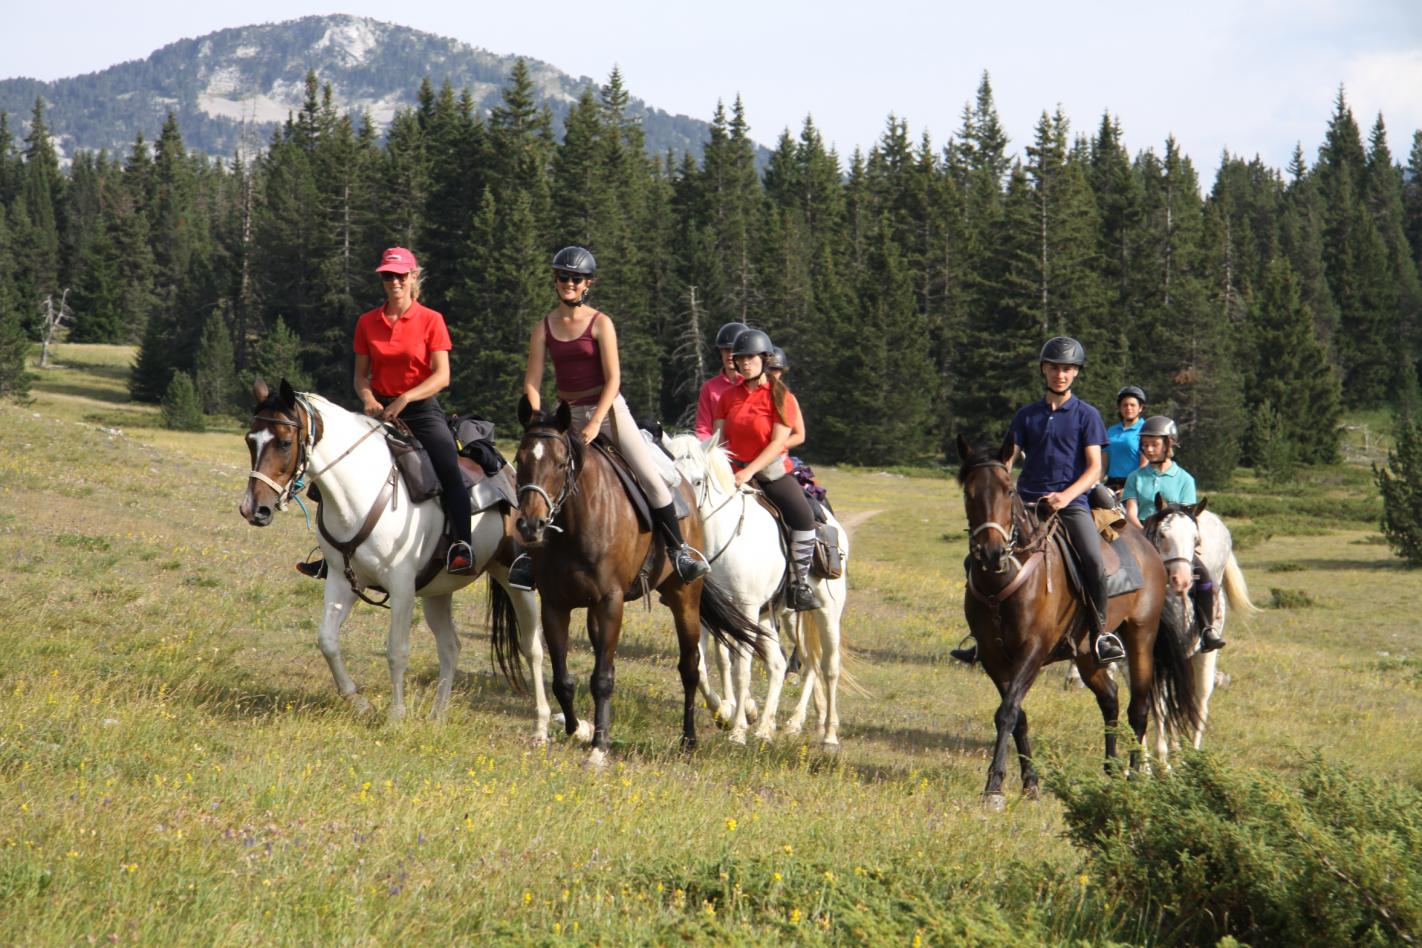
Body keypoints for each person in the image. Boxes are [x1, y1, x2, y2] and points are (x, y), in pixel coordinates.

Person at [506, 246, 709, 590]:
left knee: (651, 478)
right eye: (562, 277)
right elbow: (532, 380)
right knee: (535, 478)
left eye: (575, 278)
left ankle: (679, 551)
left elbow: (613, 379)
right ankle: (528, 556)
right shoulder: (544, 328)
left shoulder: (601, 324)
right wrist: (539, 420)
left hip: (609, 411)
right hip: (564, 416)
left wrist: (595, 422)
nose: (568, 283)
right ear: (555, 281)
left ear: (588, 283)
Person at [298, 246, 474, 578]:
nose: (394, 281)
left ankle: (462, 545)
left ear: (412, 277)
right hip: (378, 409)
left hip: (420, 408)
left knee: (448, 466)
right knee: (328, 474)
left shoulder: (431, 320)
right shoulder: (367, 322)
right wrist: (367, 399)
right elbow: (360, 377)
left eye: (400, 275)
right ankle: (330, 553)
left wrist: (406, 399)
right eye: (387, 276)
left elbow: (442, 375)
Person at [951, 336, 1123, 666]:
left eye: (1068, 369)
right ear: (1044, 370)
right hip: (1028, 502)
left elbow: (1094, 469)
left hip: (1071, 503)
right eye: (1055, 368)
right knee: (974, 560)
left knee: (1093, 559)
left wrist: (1066, 496)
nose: (1061, 374)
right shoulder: (1026, 416)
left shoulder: (1087, 415)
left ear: (1075, 373)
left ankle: (1101, 634)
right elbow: (1007, 463)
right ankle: (980, 636)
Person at [714, 329, 822, 610]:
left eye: (750, 357)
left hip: (770, 472)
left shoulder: (780, 395)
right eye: (740, 358)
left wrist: (749, 472)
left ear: (764, 359)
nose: (744, 362)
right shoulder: (727, 397)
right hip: (732, 471)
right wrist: (722, 469)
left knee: (803, 516)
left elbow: (777, 443)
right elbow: (718, 440)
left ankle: (799, 584)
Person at [1123, 415, 1224, 652]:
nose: (1148, 449)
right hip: (1142, 538)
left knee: (1204, 577)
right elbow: (1131, 511)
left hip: (1173, 543)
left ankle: (1207, 628)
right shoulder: (1135, 478)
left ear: (1169, 444)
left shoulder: (1185, 479)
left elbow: (1186, 516)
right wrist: (1143, 532)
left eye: (1153, 444)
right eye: (1145, 444)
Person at [694, 322, 748, 439]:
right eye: (725, 350)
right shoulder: (709, 387)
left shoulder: (754, 384)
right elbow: (703, 428)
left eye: (734, 350)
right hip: (719, 451)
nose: (729, 355)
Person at [1104, 385, 1148, 490]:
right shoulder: (1111, 431)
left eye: (1133, 405)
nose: (1129, 408)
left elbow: (1145, 466)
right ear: (1119, 408)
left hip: (1135, 484)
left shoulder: (1146, 430)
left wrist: (1130, 489)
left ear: (1140, 408)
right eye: (1125, 405)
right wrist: (1095, 483)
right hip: (1111, 483)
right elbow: (1103, 463)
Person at [765, 346, 806, 451]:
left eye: (776, 369)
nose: (771, 373)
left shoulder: (788, 398)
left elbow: (799, 435)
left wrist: (776, 448)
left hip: (776, 458)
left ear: (782, 371)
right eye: (769, 368)